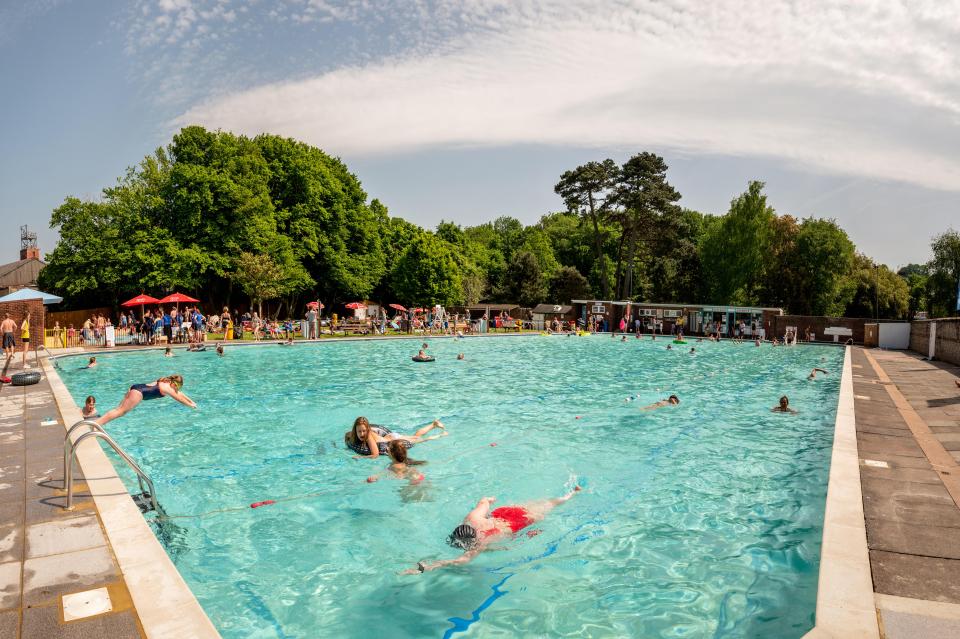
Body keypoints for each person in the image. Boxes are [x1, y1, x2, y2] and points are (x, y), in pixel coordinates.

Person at [405, 486, 582, 573]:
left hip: (517, 524)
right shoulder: (471, 518)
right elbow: (484, 501)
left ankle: (571, 495)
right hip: (505, 512)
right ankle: (568, 494)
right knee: (545, 503)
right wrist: (490, 499)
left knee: (546, 509)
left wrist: (427, 567)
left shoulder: (480, 544)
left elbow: (460, 561)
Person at [95, 375, 197, 426]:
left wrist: (191, 401)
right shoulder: (167, 387)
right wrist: (190, 406)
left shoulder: (164, 382)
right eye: (178, 386)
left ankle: (98, 423)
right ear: (175, 383)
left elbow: (180, 394)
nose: (177, 388)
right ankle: (97, 424)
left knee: (118, 410)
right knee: (119, 412)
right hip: (139, 393)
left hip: (135, 387)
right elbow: (179, 398)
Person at [345, 416, 447, 459]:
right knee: (416, 436)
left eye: (364, 431)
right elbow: (346, 436)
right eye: (359, 431)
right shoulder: (350, 434)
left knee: (419, 439)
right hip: (389, 437)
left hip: (394, 440)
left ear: (367, 430)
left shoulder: (368, 437)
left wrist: (361, 457)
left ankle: (440, 434)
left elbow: (375, 454)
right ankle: (433, 425)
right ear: (355, 430)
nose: (362, 434)